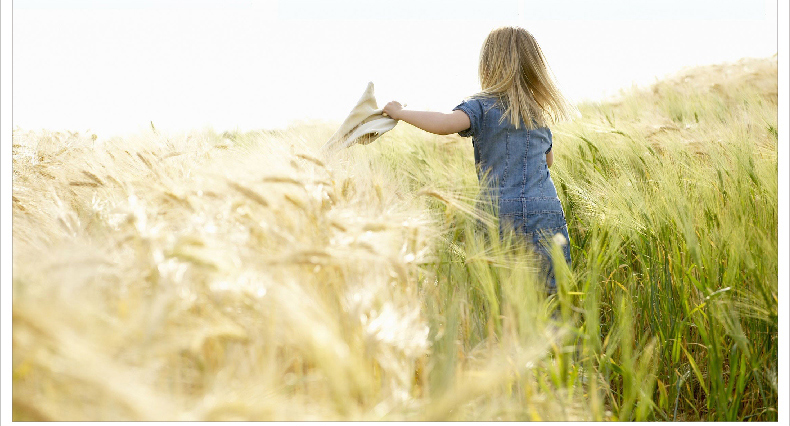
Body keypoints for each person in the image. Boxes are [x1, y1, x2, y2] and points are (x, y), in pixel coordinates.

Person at [382, 26, 575, 293]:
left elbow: (445, 124)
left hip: (498, 211)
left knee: (502, 289)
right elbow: (548, 161)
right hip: (545, 209)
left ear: (488, 64)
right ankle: (554, 332)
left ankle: (510, 331)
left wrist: (401, 112)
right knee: (551, 289)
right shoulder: (537, 113)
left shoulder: (482, 106)